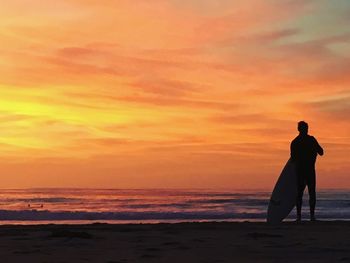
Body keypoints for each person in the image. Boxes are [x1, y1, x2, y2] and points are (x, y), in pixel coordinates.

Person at [290, 121, 324, 222]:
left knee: (299, 194)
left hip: (300, 170)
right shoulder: (311, 140)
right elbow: (321, 152)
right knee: (311, 193)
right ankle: (312, 216)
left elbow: (293, 159)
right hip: (309, 170)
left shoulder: (295, 142)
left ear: (298, 129)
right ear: (306, 129)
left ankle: (299, 217)